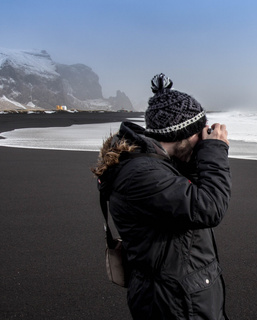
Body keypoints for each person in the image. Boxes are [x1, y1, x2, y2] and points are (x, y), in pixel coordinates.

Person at [92, 73, 231, 319]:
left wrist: (199, 156)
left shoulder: (155, 165)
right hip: (174, 303)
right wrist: (215, 150)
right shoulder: (142, 174)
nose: (202, 139)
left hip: (178, 295)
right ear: (185, 134)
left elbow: (183, 195)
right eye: (199, 133)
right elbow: (209, 207)